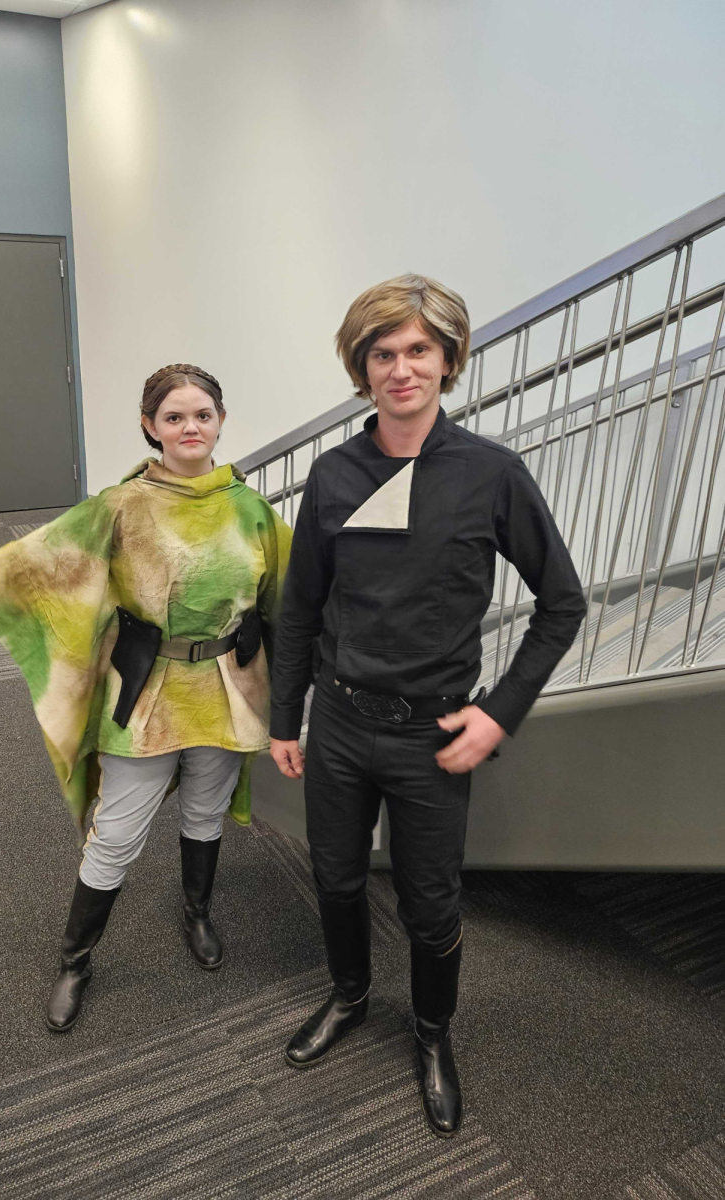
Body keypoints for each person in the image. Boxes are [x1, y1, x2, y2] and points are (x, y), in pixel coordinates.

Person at [268, 276, 586, 1137]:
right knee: (333, 878)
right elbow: (298, 608)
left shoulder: (492, 475)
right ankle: (348, 996)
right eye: (383, 353)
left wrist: (499, 713)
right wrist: (281, 717)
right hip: (335, 724)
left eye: (418, 351)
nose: (401, 368)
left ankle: (433, 1033)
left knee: (430, 903)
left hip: (434, 736)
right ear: (361, 367)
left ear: (447, 362)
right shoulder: (334, 475)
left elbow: (563, 605)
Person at [0, 364, 292, 1032]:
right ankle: (75, 961)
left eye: (202, 414)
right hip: (149, 695)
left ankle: (197, 911)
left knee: (205, 811)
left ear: (221, 421)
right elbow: (44, 571)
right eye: (174, 417)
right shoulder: (120, 505)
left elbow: (291, 594)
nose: (190, 427)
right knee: (115, 833)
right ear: (150, 426)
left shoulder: (250, 508)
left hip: (229, 689)